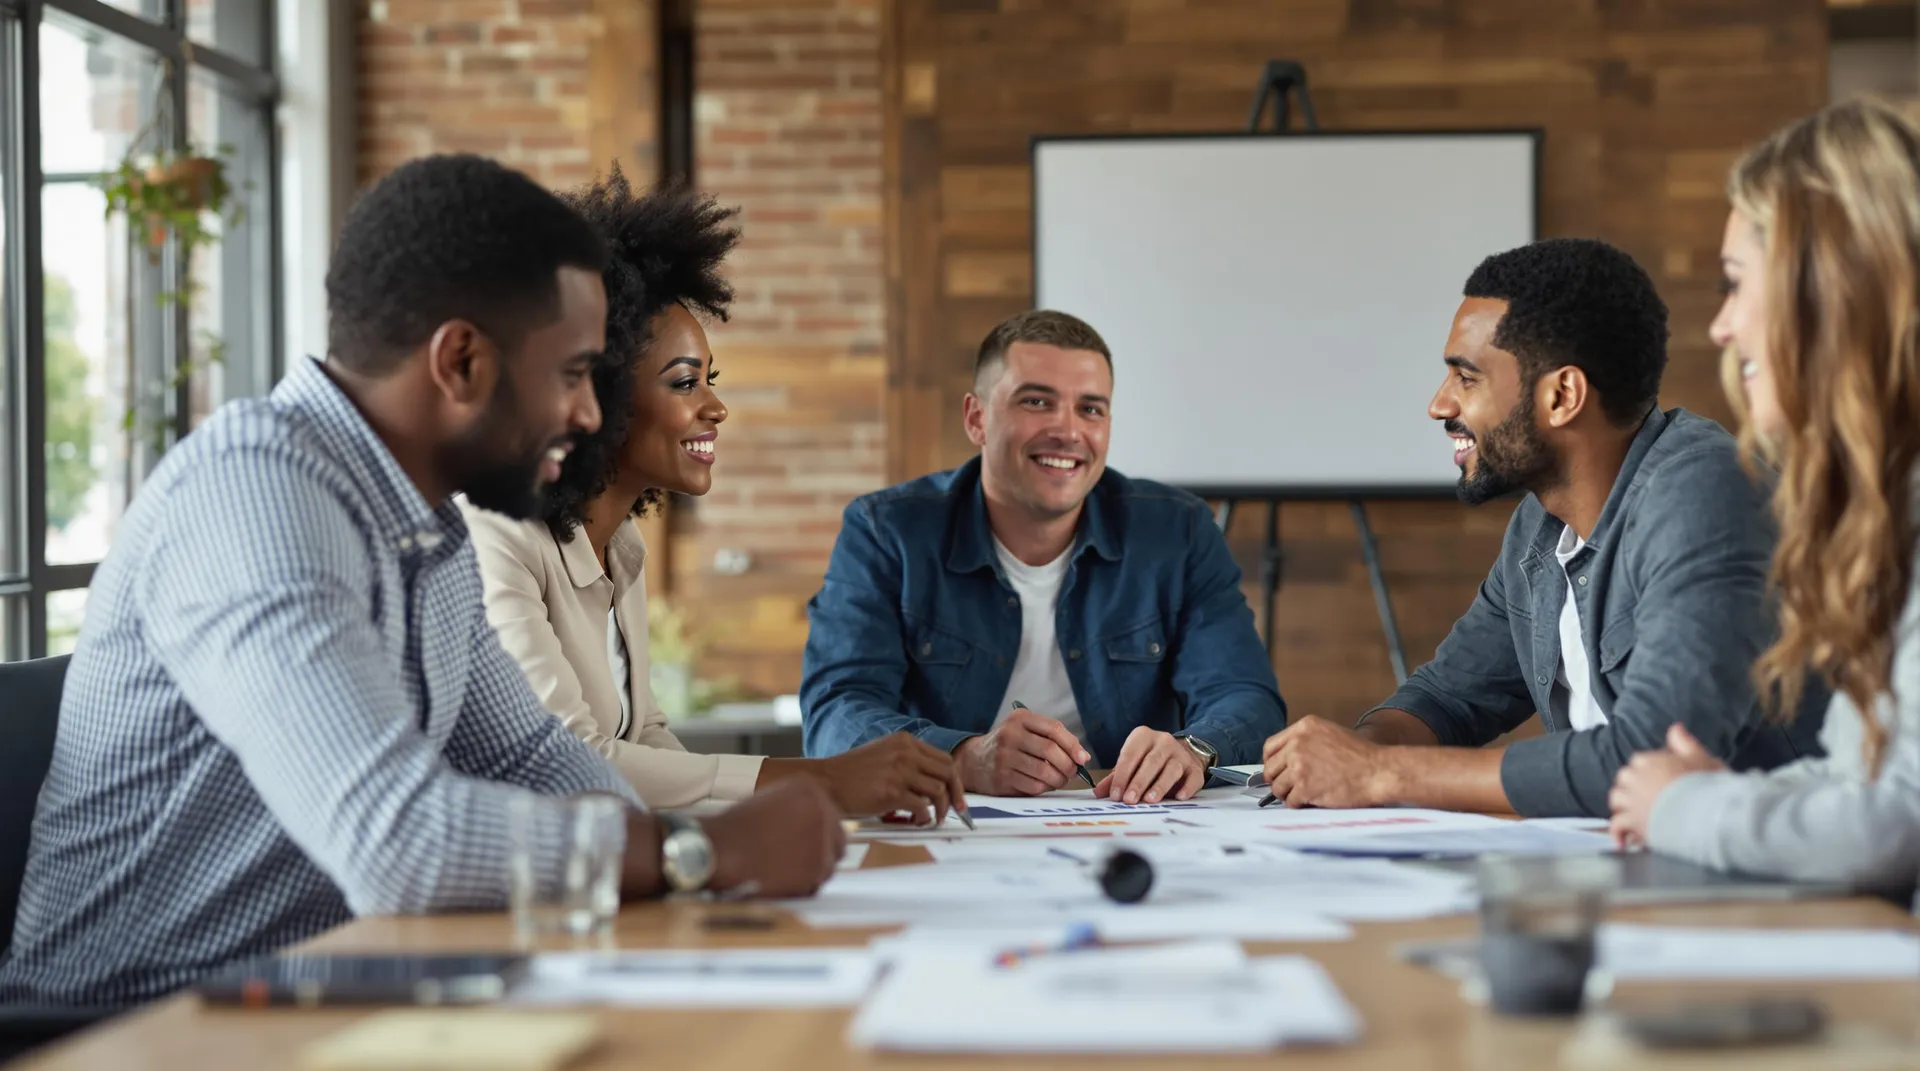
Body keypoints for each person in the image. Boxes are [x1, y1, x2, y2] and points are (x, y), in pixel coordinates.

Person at [0, 156, 841, 1007]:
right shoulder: (253, 493)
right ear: (462, 361)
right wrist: (694, 851)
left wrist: (670, 847)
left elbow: (530, 756)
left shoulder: (430, 530)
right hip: (128, 1027)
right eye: (572, 373)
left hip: (309, 999)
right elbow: (395, 838)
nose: (591, 414)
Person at [464, 170, 966, 821]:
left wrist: (793, 806)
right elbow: (570, 762)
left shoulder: (620, 544)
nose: (716, 407)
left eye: (710, 380)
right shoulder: (498, 536)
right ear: (598, 390)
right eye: (684, 383)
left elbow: (645, 737)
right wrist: (822, 781)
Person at [1260, 237, 1823, 818]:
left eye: (1466, 379)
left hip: (1763, 869)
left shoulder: (1705, 493)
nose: (1439, 405)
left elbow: (1651, 760)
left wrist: (1378, 773)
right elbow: (1447, 698)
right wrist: (1348, 756)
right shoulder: (1541, 524)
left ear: (1562, 396)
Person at [1608, 98, 1920, 888]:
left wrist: (1687, 807)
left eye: (1736, 284)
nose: (1720, 328)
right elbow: (1860, 780)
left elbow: (1898, 825)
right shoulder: (1887, 510)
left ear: (1831, 289)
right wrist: (1717, 796)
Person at [800, 309, 1287, 802]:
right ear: (977, 419)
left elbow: (1246, 697)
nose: (1068, 431)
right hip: (951, 821)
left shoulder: (1180, 532)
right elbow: (836, 713)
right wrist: (964, 758)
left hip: (1135, 821)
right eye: (1036, 402)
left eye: (1090, 409)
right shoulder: (885, 532)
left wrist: (1195, 750)